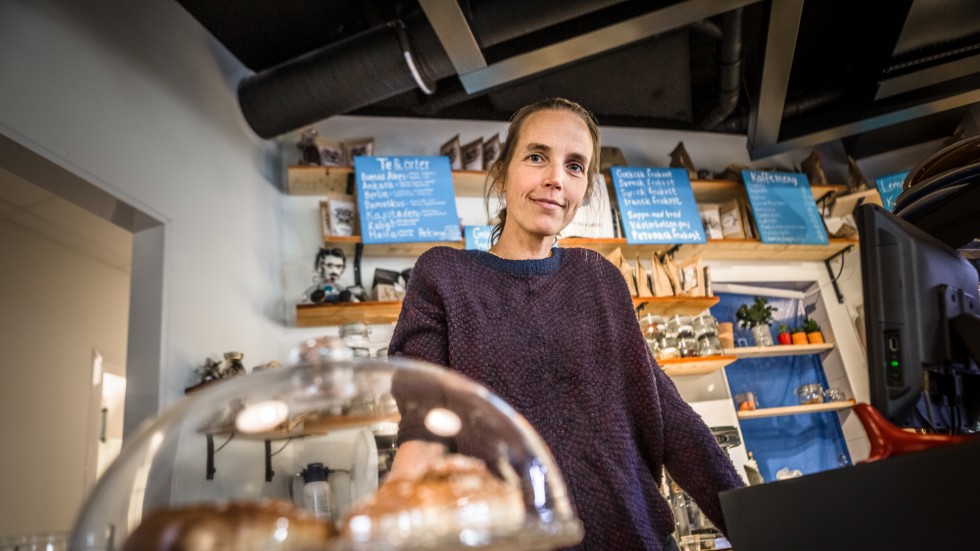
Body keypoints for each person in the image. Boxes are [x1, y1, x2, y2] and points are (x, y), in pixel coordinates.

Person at [387, 97, 744, 550]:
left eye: (575, 167)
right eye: (537, 157)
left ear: (584, 190)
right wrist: (394, 512)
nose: (556, 178)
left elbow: (669, 418)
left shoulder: (599, 278)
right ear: (502, 173)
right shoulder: (444, 275)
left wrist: (757, 525)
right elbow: (422, 419)